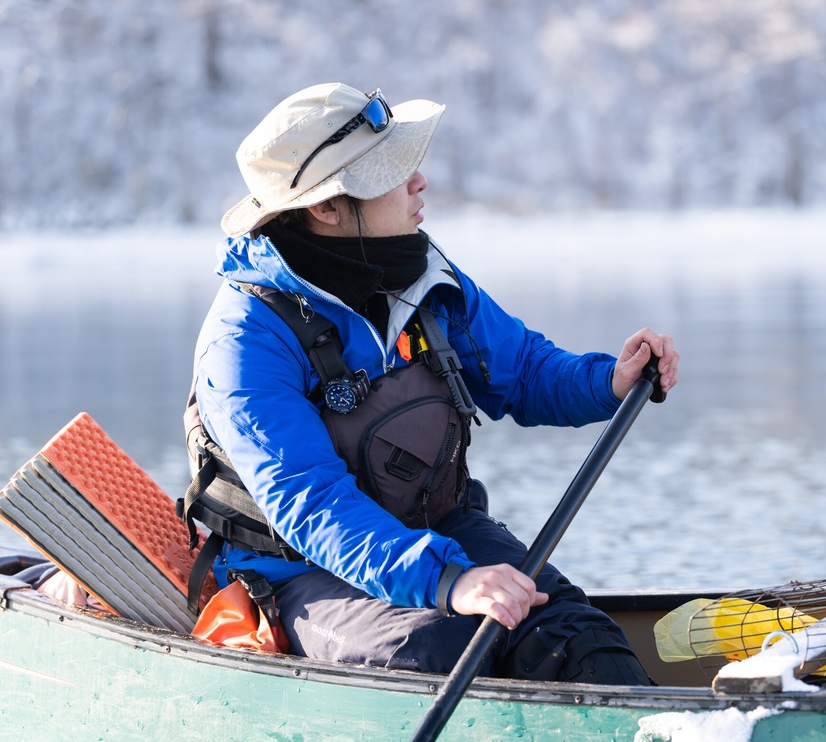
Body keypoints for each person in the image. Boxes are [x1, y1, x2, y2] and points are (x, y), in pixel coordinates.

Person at [189, 82, 680, 683]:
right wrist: (451, 582)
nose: (419, 182)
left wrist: (610, 379)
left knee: (578, 637)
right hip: (304, 573)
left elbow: (522, 370)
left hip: (442, 527)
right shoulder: (245, 342)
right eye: (392, 171)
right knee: (443, 650)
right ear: (327, 207)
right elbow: (314, 506)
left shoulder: (418, 272)